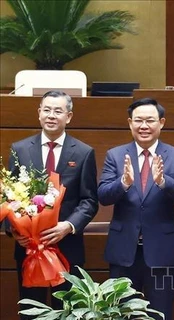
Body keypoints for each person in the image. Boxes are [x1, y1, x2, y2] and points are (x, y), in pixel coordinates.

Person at [98, 97, 174, 320]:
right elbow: (103, 196)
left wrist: (164, 182)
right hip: (124, 252)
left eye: (150, 120)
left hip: (162, 251)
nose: (144, 126)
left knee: (160, 313)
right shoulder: (115, 155)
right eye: (138, 120)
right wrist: (123, 182)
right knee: (121, 313)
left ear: (161, 122)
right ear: (129, 123)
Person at [8, 90, 99, 316]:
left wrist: (67, 226)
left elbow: (89, 200)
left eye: (58, 111)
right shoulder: (19, 149)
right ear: (39, 113)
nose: (51, 115)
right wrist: (13, 229)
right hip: (29, 249)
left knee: (69, 312)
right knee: (31, 311)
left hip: (67, 248)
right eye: (46, 110)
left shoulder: (84, 152)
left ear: (68, 116)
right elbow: (7, 196)